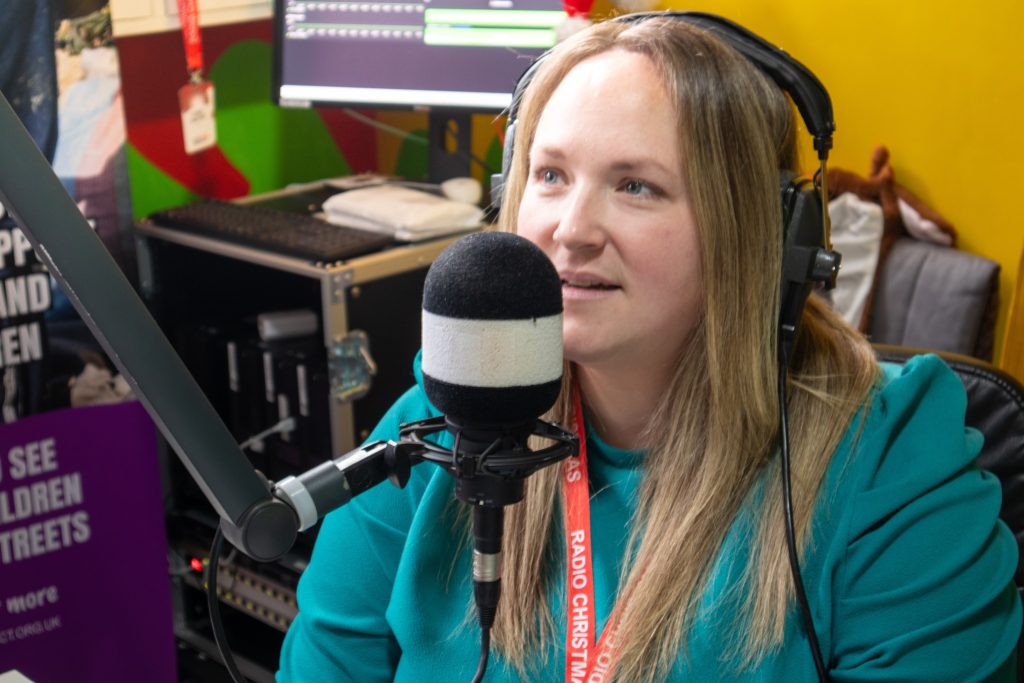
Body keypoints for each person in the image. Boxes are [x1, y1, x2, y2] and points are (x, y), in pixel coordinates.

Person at [277, 15, 1021, 682]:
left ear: (759, 234)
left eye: (636, 186)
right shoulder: (441, 425)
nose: (571, 229)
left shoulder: (894, 461)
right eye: (550, 175)